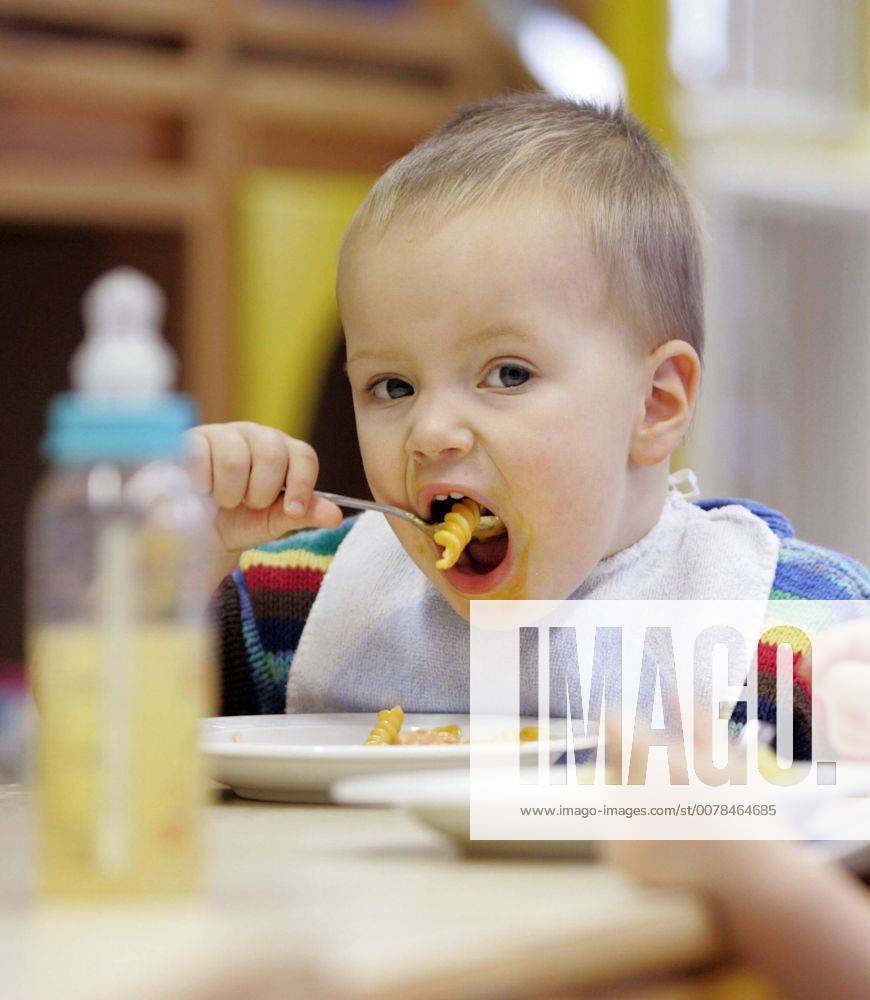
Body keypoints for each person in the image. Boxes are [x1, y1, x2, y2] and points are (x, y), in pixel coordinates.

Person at [187, 94, 870, 723]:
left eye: (507, 374)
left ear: (655, 404)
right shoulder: (295, 603)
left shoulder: (789, 629)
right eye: (394, 387)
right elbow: (116, 737)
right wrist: (171, 562)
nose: (430, 433)